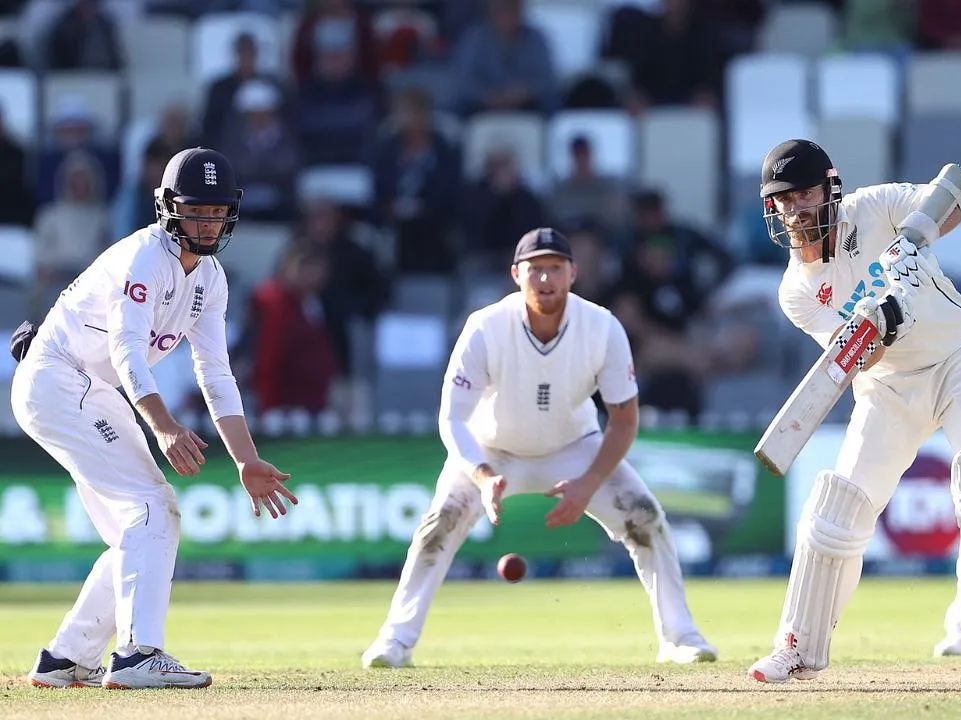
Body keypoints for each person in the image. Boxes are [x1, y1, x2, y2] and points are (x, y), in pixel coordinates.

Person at [361, 227, 716, 669]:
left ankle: (680, 636)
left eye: (554, 268)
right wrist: (483, 475)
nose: (545, 279)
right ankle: (395, 641)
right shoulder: (485, 326)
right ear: (515, 274)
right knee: (439, 524)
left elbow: (624, 420)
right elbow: (451, 418)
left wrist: (587, 485)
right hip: (493, 449)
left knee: (645, 517)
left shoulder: (602, 326)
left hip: (575, 447)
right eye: (535, 269)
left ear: (573, 273)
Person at [11, 147, 298, 690]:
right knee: (152, 507)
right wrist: (164, 425)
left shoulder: (211, 279)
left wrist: (246, 459)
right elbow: (126, 350)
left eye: (217, 212)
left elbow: (215, 373)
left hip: (84, 388)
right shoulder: (145, 256)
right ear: (168, 207)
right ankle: (138, 654)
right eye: (196, 211)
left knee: (136, 529)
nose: (208, 224)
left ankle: (66, 658)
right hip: (58, 378)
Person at [748, 139, 961, 682]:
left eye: (805, 192)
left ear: (830, 189)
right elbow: (853, 357)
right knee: (836, 511)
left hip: (959, 358)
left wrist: (911, 242)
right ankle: (796, 645)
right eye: (784, 199)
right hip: (887, 387)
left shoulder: (874, 206)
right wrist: (884, 315)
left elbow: (955, 191)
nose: (796, 207)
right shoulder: (796, 291)